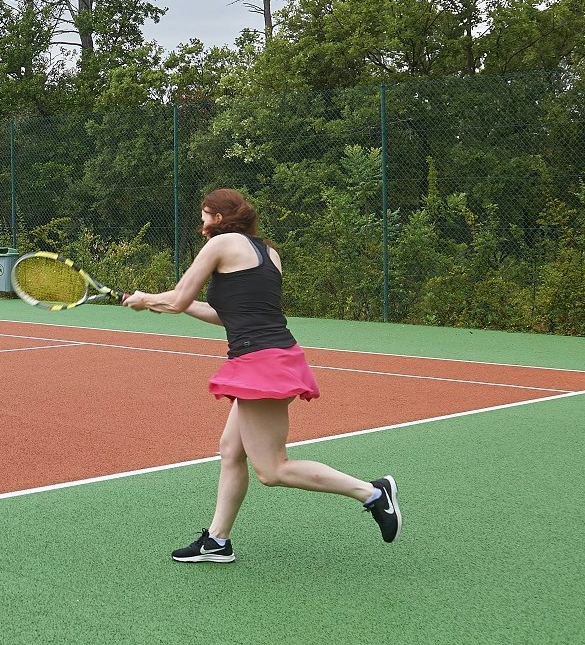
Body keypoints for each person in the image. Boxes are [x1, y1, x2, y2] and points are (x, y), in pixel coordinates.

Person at [122, 188, 399, 562]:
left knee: (272, 469)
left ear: (219, 219)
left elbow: (177, 298)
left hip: (261, 364)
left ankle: (372, 493)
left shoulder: (220, 245)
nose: (201, 223)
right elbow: (230, 314)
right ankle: (217, 541)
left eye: (205, 215)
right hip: (271, 357)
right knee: (230, 450)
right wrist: (171, 305)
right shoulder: (268, 253)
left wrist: (148, 300)